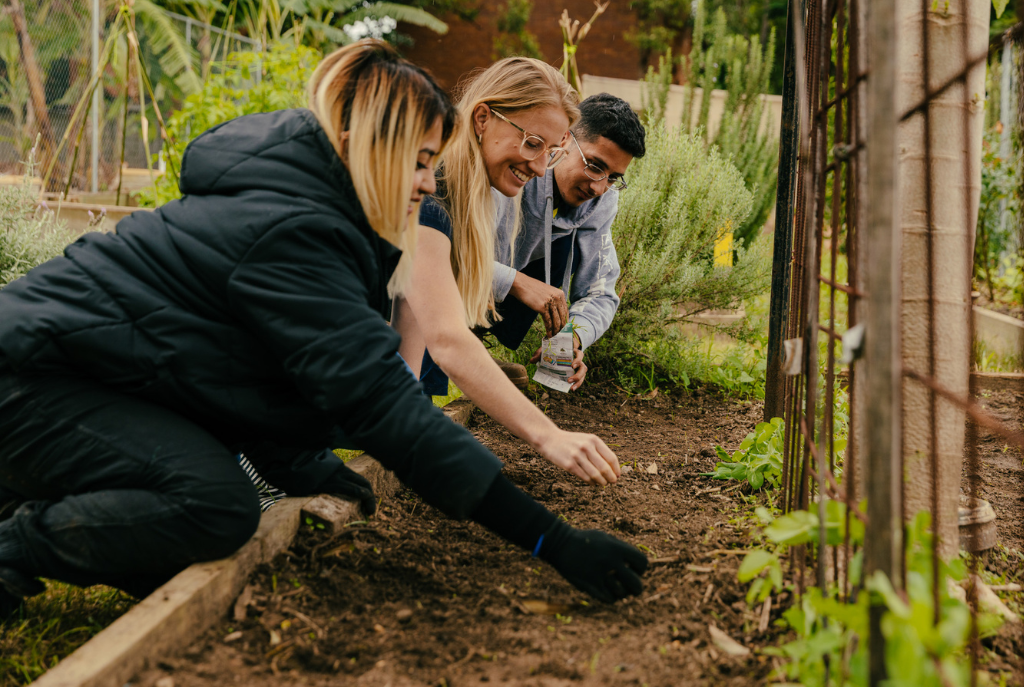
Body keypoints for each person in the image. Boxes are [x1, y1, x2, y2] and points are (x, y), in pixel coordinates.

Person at [0, 41, 647, 617]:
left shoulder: (329, 212)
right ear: (365, 146)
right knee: (214, 506)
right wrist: (552, 541)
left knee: (203, 509)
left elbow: (250, 369)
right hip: (30, 378)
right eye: (419, 161)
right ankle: (13, 549)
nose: (428, 181)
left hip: (77, 376)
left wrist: (305, 466)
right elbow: (380, 400)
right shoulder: (295, 230)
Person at [390, 58, 621, 487]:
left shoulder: (473, 184)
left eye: (548, 152)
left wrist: (407, 416)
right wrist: (547, 436)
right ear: (482, 118)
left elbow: (415, 318)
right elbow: (445, 337)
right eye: (534, 144)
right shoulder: (433, 185)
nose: (538, 168)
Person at [489, 92, 646, 389]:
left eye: (613, 177)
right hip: (447, 288)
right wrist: (519, 283)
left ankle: (473, 349)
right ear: (564, 140)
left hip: (495, 289)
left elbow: (600, 290)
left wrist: (572, 337)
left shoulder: (602, 201)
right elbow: (446, 259)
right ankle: (454, 349)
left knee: (564, 246)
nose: (599, 187)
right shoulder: (516, 171)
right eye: (595, 165)